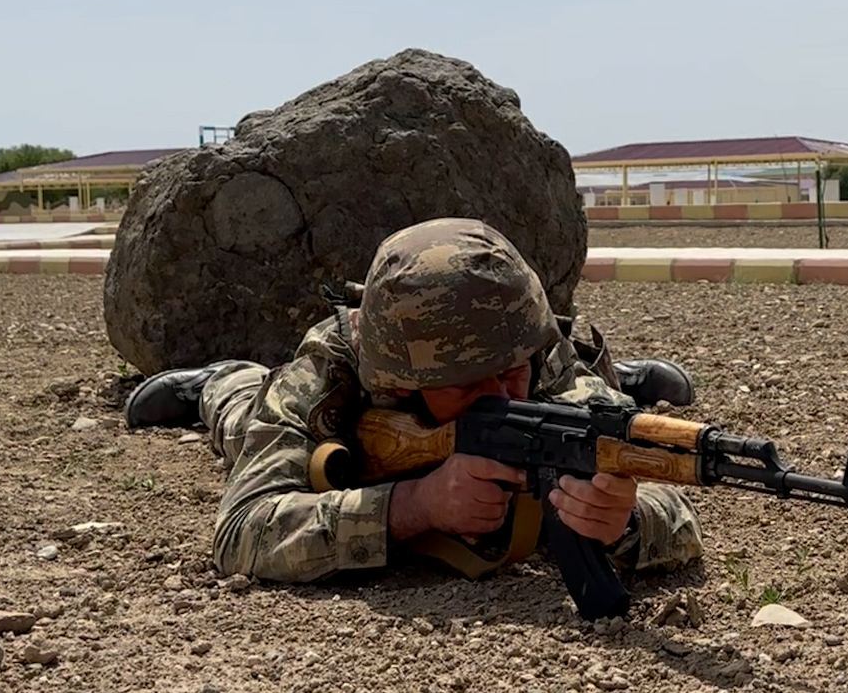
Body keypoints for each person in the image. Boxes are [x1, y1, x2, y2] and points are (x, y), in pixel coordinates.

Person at [122, 218, 703, 585]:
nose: (501, 397)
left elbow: (674, 514)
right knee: (246, 412)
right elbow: (243, 533)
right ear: (398, 381)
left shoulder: (541, 356)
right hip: (307, 405)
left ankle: (617, 376)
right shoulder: (333, 369)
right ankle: (219, 381)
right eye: (469, 383)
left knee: (592, 395)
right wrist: (416, 505)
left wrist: (623, 520)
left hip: (556, 362)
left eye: (509, 373)